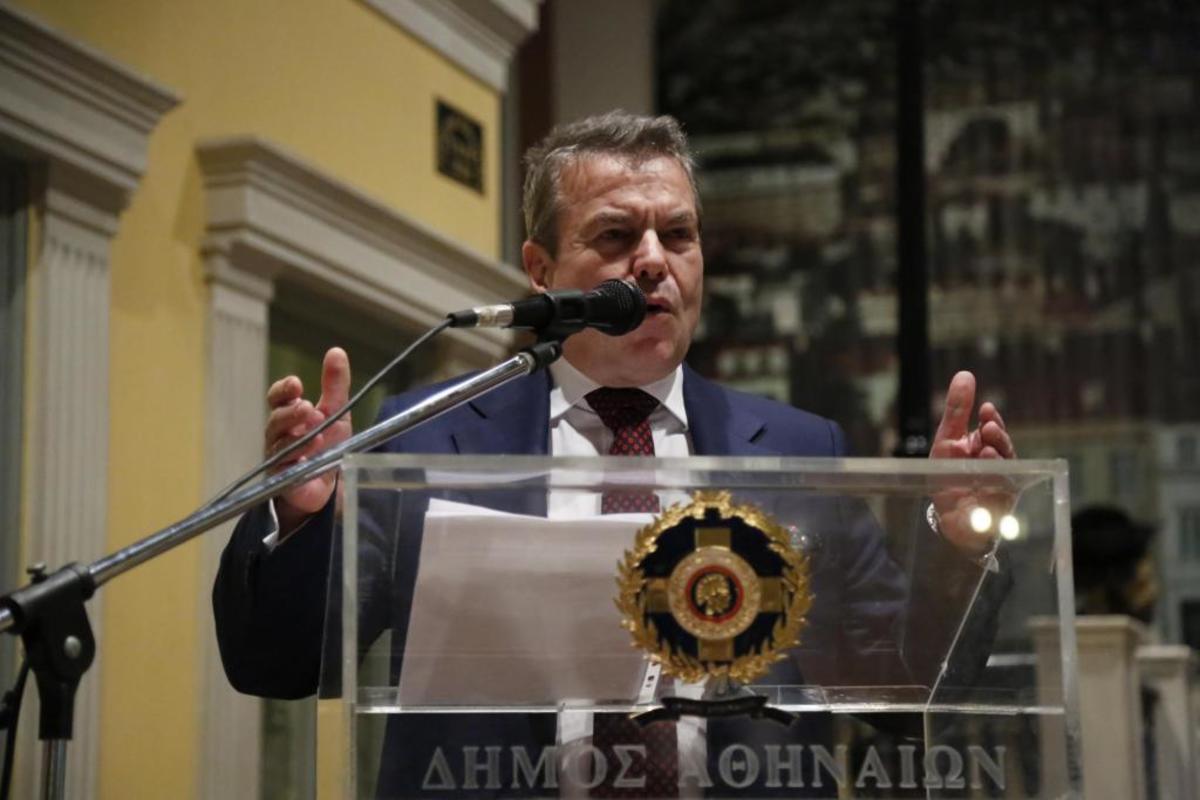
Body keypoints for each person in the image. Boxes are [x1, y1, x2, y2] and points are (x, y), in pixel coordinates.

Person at [213, 111, 1016, 797]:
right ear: (541, 270)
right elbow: (281, 663)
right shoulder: (429, 436)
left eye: (679, 235)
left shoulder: (799, 450)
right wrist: (303, 521)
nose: (655, 261)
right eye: (617, 235)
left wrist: (958, 544)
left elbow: (900, 686)